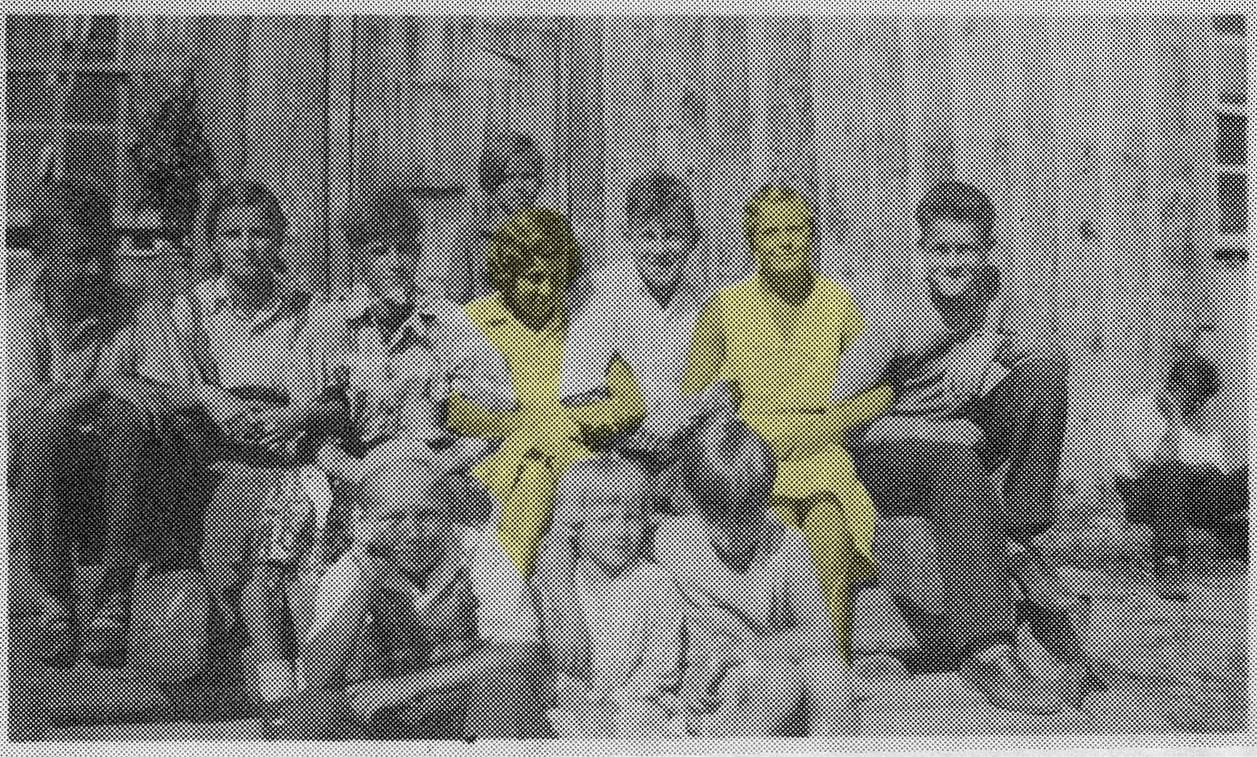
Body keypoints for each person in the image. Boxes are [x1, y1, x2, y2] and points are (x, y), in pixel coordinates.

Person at [828, 179, 1074, 713]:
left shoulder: (996, 296)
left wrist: (989, 368)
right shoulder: (896, 309)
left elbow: (1030, 356)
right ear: (920, 249)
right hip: (884, 436)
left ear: (987, 251)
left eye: (967, 249)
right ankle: (982, 638)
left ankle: (1020, 537)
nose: (953, 263)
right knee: (955, 451)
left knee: (1048, 379)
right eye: (940, 249)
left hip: (956, 421)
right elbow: (846, 404)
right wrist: (926, 408)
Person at [680, 185, 893, 661]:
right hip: (749, 462)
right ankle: (758, 665)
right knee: (765, 536)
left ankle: (830, 668)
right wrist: (737, 436)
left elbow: (878, 393)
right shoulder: (724, 308)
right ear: (751, 241)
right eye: (771, 232)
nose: (786, 242)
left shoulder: (839, 304)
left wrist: (818, 431)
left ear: (814, 237)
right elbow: (696, 399)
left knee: (830, 530)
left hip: (822, 456)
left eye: (797, 230)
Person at [167, 181, 347, 704]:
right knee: (240, 571)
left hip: (298, 462)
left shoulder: (313, 312)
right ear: (216, 242)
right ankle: (263, 676)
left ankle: (295, 691)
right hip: (220, 463)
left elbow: (341, 399)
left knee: (295, 578)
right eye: (234, 234)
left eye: (260, 234)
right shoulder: (193, 309)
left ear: (280, 240)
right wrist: (211, 399)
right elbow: (161, 386)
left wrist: (302, 413)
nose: (247, 246)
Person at [8, 180, 178, 668]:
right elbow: (20, 407)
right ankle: (53, 600)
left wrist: (109, 389)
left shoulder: (133, 308)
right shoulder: (26, 314)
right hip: (54, 438)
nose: (86, 269)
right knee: (42, 436)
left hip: (112, 435)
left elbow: (152, 386)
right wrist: (97, 387)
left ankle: (110, 598)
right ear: (46, 258)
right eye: (72, 255)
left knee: (132, 425)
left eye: (96, 253)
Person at [446, 207, 644, 576]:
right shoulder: (472, 320)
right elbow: (451, 409)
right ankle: (512, 591)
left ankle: (511, 594)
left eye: (557, 278)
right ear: (508, 274)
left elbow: (630, 402)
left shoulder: (587, 320)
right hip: (498, 462)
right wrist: (521, 425)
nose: (547, 290)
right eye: (535, 279)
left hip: (575, 463)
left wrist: (569, 419)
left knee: (551, 475)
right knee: (534, 468)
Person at [288, 459, 542, 740]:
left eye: (426, 515)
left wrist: (403, 688)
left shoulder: (482, 553)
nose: (412, 532)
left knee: (505, 684)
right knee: (311, 712)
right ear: (367, 521)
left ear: (448, 515)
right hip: (383, 712)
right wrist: (366, 586)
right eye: (394, 517)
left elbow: (521, 652)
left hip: (459, 701)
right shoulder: (352, 567)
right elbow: (315, 675)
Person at [315, 184, 513, 533]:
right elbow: (314, 431)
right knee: (336, 580)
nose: (395, 263)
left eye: (405, 250)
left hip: (437, 490)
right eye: (380, 252)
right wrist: (359, 474)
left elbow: (493, 421)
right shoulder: (332, 326)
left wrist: (434, 468)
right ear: (359, 262)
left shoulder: (450, 326)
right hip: (355, 485)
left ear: (419, 254)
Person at [656, 413, 855, 737]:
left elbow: (820, 635)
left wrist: (747, 651)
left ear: (767, 498)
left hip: (768, 665)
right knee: (781, 682)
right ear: (692, 502)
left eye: (748, 518)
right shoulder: (673, 543)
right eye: (720, 521)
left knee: (827, 674)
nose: (735, 534)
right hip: (706, 681)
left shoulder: (787, 543)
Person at [559, 172, 715, 511]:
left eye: (673, 235)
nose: (661, 248)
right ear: (629, 238)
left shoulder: (706, 300)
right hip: (618, 455)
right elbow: (576, 391)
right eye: (648, 235)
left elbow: (723, 385)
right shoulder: (602, 294)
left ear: (693, 238)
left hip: (690, 452)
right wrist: (627, 439)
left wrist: (689, 444)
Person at [531, 454, 687, 738]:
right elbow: (545, 657)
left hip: (639, 707)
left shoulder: (656, 582)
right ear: (576, 526)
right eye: (605, 518)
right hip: (569, 710)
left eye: (631, 518)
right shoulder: (559, 583)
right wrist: (574, 699)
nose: (619, 531)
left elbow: (662, 661)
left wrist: (620, 703)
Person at [1117, 331, 1249, 590]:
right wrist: (1175, 421)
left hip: (1195, 495)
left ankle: (1237, 538)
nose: (1200, 403)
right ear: (1177, 387)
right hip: (1147, 494)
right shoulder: (1141, 409)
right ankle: (1169, 562)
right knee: (1170, 473)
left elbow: (1215, 470)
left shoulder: (1203, 420)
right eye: (1197, 395)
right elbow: (1154, 464)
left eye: (1204, 398)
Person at [442, 128, 546, 304]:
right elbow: (456, 306)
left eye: (528, 176)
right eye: (511, 176)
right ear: (493, 180)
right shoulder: (471, 237)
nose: (520, 187)